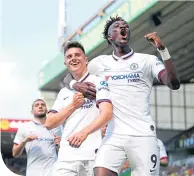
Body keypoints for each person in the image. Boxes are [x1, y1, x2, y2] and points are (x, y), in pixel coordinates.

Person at [63, 16, 180, 176]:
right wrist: (75, 85)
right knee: (100, 172)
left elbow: (173, 83)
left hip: (143, 135)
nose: (123, 28)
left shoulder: (147, 60)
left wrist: (163, 50)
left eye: (125, 26)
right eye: (117, 27)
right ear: (110, 37)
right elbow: (70, 74)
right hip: (114, 135)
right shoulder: (99, 63)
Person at [45, 41, 113, 176]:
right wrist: (73, 106)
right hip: (67, 157)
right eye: (69, 57)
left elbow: (107, 114)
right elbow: (49, 122)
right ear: (66, 63)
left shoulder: (99, 82)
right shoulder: (64, 92)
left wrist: (84, 133)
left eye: (77, 55)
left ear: (86, 60)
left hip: (94, 156)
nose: (73, 58)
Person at [12, 99, 62, 176]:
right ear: (32, 111)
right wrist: (24, 141)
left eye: (43, 105)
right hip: (33, 172)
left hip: (53, 172)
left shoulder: (57, 126)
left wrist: (60, 144)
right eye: (37, 105)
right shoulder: (24, 127)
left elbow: (63, 152)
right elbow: (15, 154)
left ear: (46, 110)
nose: (40, 106)